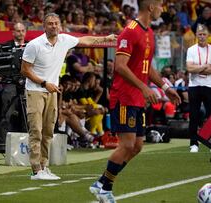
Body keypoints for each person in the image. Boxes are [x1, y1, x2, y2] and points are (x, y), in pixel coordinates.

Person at [89, 1, 181, 202]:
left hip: (137, 98)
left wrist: (166, 88)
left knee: (138, 146)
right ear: (150, 7)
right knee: (127, 144)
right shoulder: (130, 31)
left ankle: (101, 182)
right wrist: (144, 87)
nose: (162, 10)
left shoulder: (149, 32)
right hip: (124, 96)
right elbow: (120, 66)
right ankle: (105, 190)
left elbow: (148, 68)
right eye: (160, 6)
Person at [20, 12, 117, 181]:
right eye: (50, 23)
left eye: (56, 23)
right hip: (36, 90)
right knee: (36, 129)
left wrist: (106, 38)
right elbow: (24, 70)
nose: (54, 26)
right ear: (44, 26)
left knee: (49, 130)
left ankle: (44, 166)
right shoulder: (34, 45)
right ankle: (36, 170)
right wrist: (44, 83)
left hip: (52, 91)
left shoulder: (65, 40)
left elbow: (87, 40)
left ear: (60, 25)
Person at [186, 24, 211, 153]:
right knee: (194, 115)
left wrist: (198, 68)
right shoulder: (191, 50)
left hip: (208, 85)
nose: (202, 37)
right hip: (194, 86)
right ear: (196, 35)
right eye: (199, 34)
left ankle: (209, 141)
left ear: (208, 36)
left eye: (204, 34)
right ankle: (193, 143)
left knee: (210, 116)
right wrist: (205, 67)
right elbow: (189, 68)